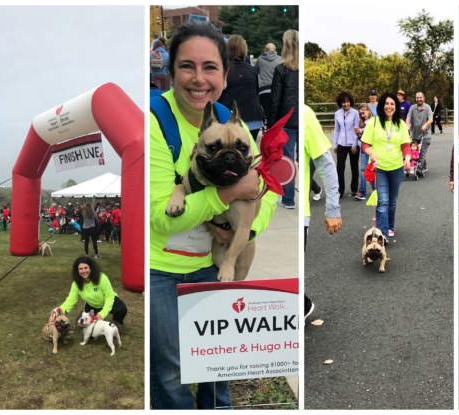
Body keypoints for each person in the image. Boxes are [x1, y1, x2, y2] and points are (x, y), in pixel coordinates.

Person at [149, 21, 277, 410]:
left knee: (216, 368)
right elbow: (162, 218)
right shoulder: (153, 121)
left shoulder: (234, 125)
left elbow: (266, 190)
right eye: (187, 66)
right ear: (170, 72)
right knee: (171, 372)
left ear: (225, 73)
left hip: (213, 262)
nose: (199, 78)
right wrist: (228, 194)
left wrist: (245, 228)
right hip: (161, 268)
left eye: (210, 68)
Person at [304, 105, 342, 318]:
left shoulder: (305, 114)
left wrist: (333, 208)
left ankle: (301, 307)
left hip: (299, 215)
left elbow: (326, 165)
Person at [361, 92, 411, 240]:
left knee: (392, 201)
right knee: (382, 201)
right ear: (382, 106)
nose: (389, 107)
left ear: (396, 107)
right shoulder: (373, 123)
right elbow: (365, 144)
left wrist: (407, 158)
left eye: (392, 104)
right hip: (379, 169)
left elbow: (406, 146)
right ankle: (382, 235)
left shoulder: (400, 124)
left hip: (396, 168)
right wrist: (371, 153)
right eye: (386, 104)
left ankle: (390, 227)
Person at [51, 257, 127, 328]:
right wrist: (58, 311)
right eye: (80, 269)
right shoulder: (76, 284)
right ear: (77, 271)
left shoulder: (102, 278)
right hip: (92, 305)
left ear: (91, 268)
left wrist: (103, 313)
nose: (83, 271)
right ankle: (83, 314)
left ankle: (113, 323)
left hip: (109, 301)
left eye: (86, 268)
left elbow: (109, 296)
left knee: (122, 309)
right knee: (92, 332)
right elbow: (70, 301)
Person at [269, 29, 299, 209]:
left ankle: (288, 199)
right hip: (300, 120)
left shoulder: (281, 69)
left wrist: (272, 124)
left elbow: (275, 99)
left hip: (286, 120)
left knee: (287, 159)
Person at [218, 35, 264, 141]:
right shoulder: (252, 70)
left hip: (229, 119)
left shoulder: (223, 71)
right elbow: (256, 92)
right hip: (253, 119)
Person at [333, 92, 360, 198]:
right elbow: (337, 129)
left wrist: (354, 145)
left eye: (347, 102)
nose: (346, 104)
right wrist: (335, 145)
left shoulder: (355, 113)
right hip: (341, 144)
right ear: (341, 103)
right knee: (340, 167)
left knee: (354, 167)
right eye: (343, 102)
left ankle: (354, 189)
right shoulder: (337, 114)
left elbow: (356, 129)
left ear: (350, 102)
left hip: (353, 144)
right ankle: (340, 190)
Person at [406, 92, 433, 173]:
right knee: (415, 152)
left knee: (422, 152)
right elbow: (408, 118)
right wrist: (407, 125)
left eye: (420, 97)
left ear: (423, 98)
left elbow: (431, 119)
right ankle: (424, 166)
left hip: (425, 135)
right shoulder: (412, 108)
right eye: (417, 98)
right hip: (415, 135)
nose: (419, 99)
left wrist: (425, 125)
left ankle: (419, 169)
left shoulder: (427, 107)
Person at [255, 43, 281, 125]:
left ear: (265, 50)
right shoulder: (279, 59)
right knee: (276, 115)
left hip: (263, 90)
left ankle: (269, 127)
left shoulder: (260, 59)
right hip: (276, 90)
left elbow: (255, 72)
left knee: (267, 113)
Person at [354, 103, 374, 200]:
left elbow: (374, 134)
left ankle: (377, 191)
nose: (362, 115)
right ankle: (362, 192)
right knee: (363, 170)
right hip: (364, 149)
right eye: (360, 114)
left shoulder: (374, 121)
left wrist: (362, 131)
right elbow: (362, 138)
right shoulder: (361, 123)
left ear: (368, 110)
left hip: (373, 149)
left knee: (374, 170)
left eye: (363, 112)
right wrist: (358, 133)